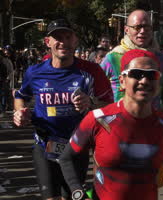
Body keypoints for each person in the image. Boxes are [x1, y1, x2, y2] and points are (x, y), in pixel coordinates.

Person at [59, 49, 163, 200]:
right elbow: (67, 158)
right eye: (136, 74)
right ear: (122, 81)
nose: (144, 81)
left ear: (159, 83)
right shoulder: (98, 119)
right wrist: (78, 193)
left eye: (152, 75)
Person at [13, 19, 114, 200]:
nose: (63, 42)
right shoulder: (35, 72)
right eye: (58, 38)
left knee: (70, 198)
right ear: (48, 42)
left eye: (68, 37)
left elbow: (110, 106)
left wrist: (90, 103)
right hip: (44, 144)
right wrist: (19, 112)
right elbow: (21, 96)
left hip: (76, 146)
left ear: (75, 41)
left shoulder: (91, 71)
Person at [100, 9, 163, 111]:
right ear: (126, 30)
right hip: (119, 122)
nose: (142, 31)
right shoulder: (112, 58)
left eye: (146, 27)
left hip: (152, 122)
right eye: (137, 27)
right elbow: (95, 88)